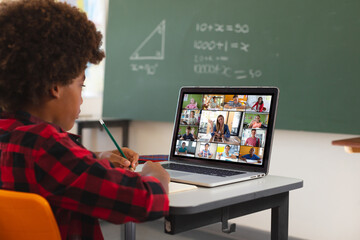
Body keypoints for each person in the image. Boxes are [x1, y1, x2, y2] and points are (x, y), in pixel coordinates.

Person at [0, 1, 169, 239]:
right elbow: (145, 202)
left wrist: (96, 157)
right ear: (54, 85)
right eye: (81, 84)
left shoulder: (12, 133)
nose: (81, 97)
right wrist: (156, 176)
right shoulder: (47, 146)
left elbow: (57, 167)